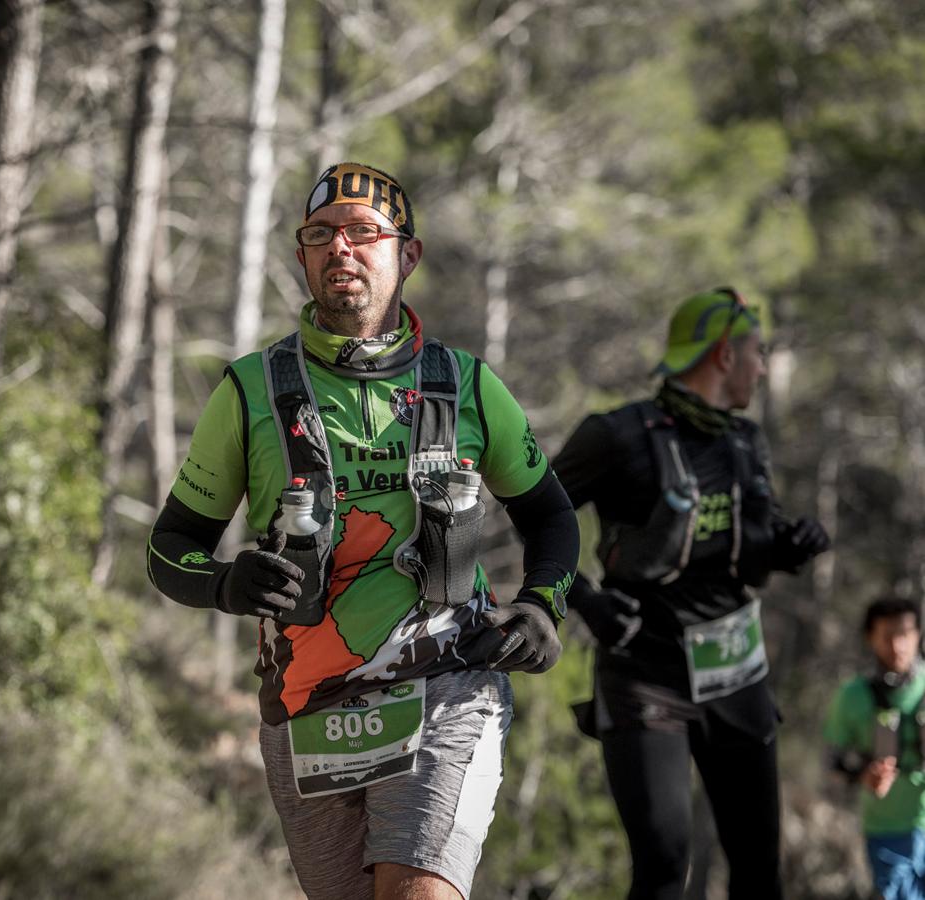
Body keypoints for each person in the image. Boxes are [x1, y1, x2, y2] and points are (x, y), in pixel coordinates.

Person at [146, 162, 579, 900]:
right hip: (305, 708)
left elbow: (551, 516)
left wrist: (542, 605)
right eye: (321, 235)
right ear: (302, 256)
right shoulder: (251, 390)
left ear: (407, 255)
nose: (340, 248)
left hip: (448, 687)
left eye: (362, 233)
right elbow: (168, 549)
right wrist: (224, 584)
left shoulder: (467, 383)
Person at [553, 287, 830, 900]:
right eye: (758, 352)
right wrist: (585, 599)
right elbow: (535, 517)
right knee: (662, 866)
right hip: (646, 678)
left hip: (739, 673)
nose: (763, 366)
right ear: (725, 355)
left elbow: (752, 535)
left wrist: (792, 543)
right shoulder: (616, 435)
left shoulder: (745, 440)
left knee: (759, 870)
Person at [826, 597, 925, 900]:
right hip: (886, 828)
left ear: (918, 635)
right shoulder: (852, 695)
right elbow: (834, 760)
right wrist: (863, 774)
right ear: (871, 638)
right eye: (887, 636)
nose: (897, 646)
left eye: (904, 634)